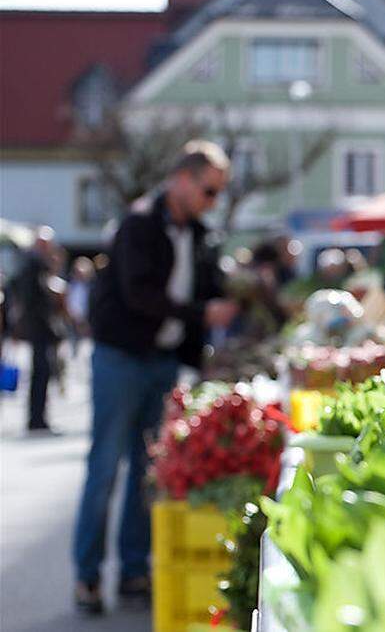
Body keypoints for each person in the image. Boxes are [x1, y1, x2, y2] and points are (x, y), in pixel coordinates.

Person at [73, 140, 239, 615]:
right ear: (182, 180)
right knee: (105, 465)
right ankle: (87, 576)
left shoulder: (200, 233)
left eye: (217, 193)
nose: (213, 201)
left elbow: (207, 289)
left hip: (163, 360)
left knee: (148, 473)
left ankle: (132, 570)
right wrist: (201, 312)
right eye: (209, 190)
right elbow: (141, 293)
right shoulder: (139, 225)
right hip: (122, 357)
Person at [9, 226, 67, 434]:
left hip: (39, 328)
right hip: (39, 328)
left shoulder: (32, 265)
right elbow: (38, 300)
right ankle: (36, 419)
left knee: (42, 373)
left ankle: (38, 417)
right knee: (40, 373)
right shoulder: (34, 265)